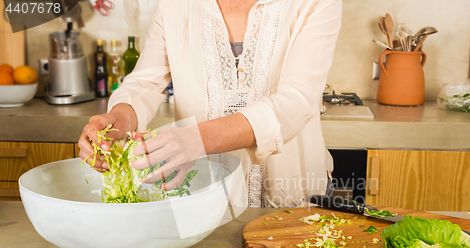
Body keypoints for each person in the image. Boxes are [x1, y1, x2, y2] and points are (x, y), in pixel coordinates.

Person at [79, 0, 342, 208]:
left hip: (291, 197)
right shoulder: (174, 5)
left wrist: (198, 139)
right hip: (200, 200)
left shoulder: (314, 2)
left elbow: (297, 100)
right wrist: (120, 117)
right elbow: (144, 84)